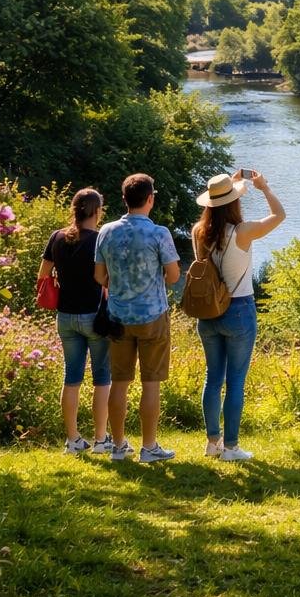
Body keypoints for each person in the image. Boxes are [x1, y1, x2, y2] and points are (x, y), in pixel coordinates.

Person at [191, 170, 286, 462]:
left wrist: (233, 187)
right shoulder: (243, 231)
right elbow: (279, 214)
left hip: (207, 312)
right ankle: (231, 448)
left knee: (212, 379)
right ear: (234, 204)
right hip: (239, 309)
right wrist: (263, 187)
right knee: (235, 382)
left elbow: (217, 214)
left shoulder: (198, 232)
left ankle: (212, 442)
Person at [95, 173, 181, 463]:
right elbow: (173, 276)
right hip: (153, 315)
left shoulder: (106, 231)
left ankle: (118, 447)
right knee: (151, 383)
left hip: (117, 316)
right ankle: (149, 447)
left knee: (119, 381)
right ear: (150, 199)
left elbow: (99, 276)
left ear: (124, 200)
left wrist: (120, 283)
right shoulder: (159, 234)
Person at [39, 188, 111, 455]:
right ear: (97, 211)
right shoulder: (99, 239)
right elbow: (103, 278)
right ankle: (101, 439)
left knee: (72, 378)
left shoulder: (57, 237)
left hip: (65, 315)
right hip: (94, 315)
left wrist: (62, 275)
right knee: (102, 378)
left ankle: (72, 439)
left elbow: (43, 273)